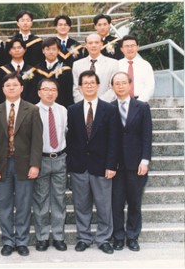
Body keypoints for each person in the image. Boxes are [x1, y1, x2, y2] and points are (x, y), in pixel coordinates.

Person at [0, 72, 42, 257]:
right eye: (7, 85)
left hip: (25, 164)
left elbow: (37, 140)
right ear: (3, 89)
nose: (11, 88)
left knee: (23, 204)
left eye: (14, 85)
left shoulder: (32, 110)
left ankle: (22, 241)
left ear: (21, 88)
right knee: (4, 204)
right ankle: (7, 241)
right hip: (3, 165)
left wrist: (35, 164)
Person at [67, 70, 120, 254]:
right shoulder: (72, 110)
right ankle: (83, 237)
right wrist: (71, 164)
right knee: (81, 205)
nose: (88, 85)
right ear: (80, 87)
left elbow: (114, 140)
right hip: (79, 167)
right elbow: (71, 140)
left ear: (98, 86)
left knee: (104, 205)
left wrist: (111, 165)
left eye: (92, 82)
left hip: (102, 166)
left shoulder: (110, 109)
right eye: (85, 83)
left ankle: (104, 238)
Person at [110, 72, 152, 252]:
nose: (120, 86)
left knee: (135, 202)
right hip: (116, 165)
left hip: (136, 164)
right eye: (116, 83)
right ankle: (118, 236)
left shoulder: (142, 107)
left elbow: (146, 135)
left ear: (129, 84)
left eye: (123, 83)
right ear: (112, 87)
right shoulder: (108, 108)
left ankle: (133, 236)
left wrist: (145, 160)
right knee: (116, 203)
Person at [32, 78, 69, 252]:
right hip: (41, 160)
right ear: (39, 92)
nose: (49, 92)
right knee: (41, 200)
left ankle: (59, 236)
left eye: (53, 89)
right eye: (45, 89)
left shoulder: (63, 110)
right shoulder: (33, 110)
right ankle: (42, 237)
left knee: (59, 200)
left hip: (60, 159)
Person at [72, 33, 119, 103]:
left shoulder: (113, 63)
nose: (93, 45)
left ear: (101, 44)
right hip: (83, 106)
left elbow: (113, 87)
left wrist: (98, 103)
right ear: (86, 45)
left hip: (105, 105)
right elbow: (76, 88)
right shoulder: (77, 64)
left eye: (96, 42)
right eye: (90, 43)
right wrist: (85, 103)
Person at [34, 37, 74, 108]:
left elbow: (68, 94)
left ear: (58, 51)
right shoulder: (36, 70)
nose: (51, 52)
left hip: (60, 108)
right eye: (48, 49)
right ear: (43, 51)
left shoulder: (66, 70)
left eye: (54, 49)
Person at [0, 38, 38, 104]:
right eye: (14, 48)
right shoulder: (2, 70)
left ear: (24, 50)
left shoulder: (32, 70)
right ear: (9, 51)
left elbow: (34, 92)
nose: (17, 50)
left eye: (19, 47)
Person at [117, 35, 155, 102]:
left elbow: (150, 86)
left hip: (141, 102)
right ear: (122, 49)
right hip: (121, 102)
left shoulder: (145, 65)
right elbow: (112, 86)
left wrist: (140, 101)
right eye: (126, 46)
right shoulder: (116, 65)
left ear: (137, 47)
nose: (130, 48)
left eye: (132, 45)